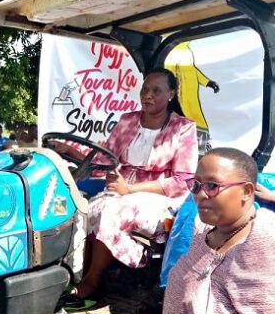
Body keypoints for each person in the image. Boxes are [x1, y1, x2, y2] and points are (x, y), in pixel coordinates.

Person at [53, 68, 198, 299]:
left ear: (171, 94)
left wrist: (130, 189)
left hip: (161, 197)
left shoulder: (182, 128)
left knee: (109, 210)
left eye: (156, 91)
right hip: (120, 189)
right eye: (145, 89)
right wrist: (70, 150)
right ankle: (74, 274)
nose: (147, 95)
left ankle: (92, 281)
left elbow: (183, 181)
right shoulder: (128, 120)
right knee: (82, 207)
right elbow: (103, 160)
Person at [127, 148, 275, 314]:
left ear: (246, 192)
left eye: (213, 186)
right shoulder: (205, 230)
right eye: (196, 185)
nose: (200, 194)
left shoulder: (256, 250)